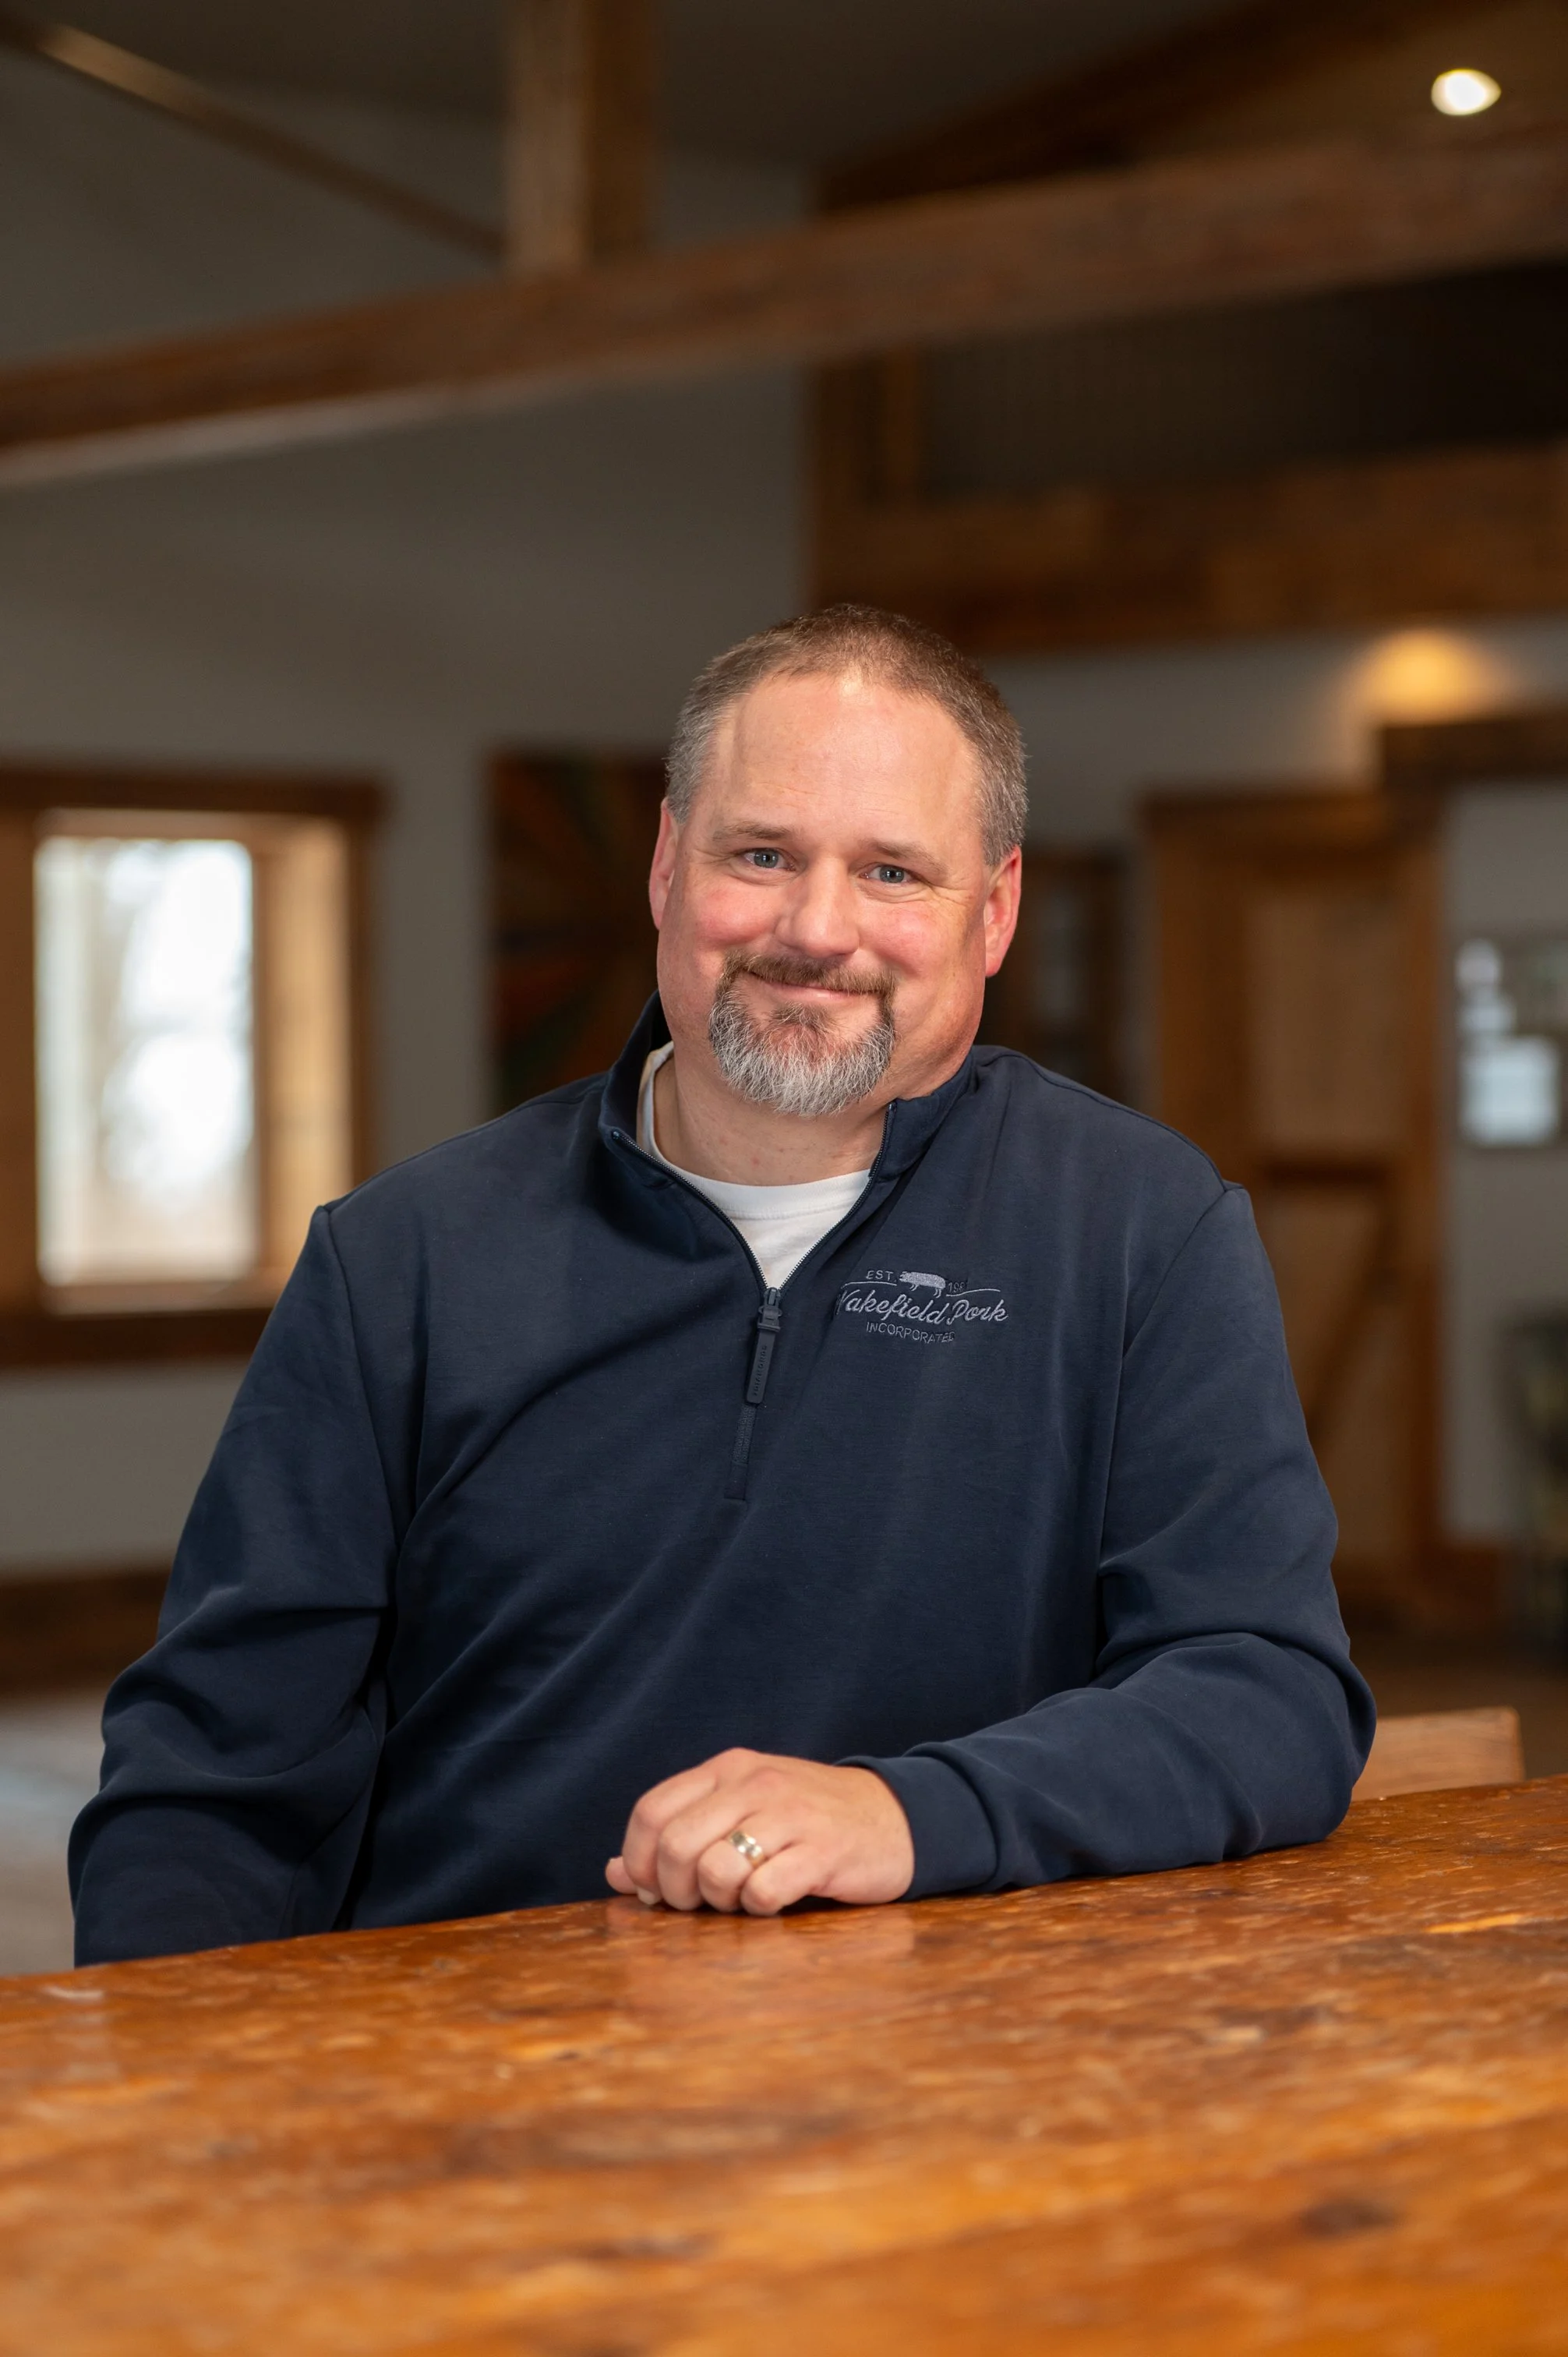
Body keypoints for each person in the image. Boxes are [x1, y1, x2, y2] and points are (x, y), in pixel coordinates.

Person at [71, 605, 1373, 1962]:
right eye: (761, 854)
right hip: (474, 2083)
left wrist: (908, 1814)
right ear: (665, 867)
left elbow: (1265, 1695)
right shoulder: (401, 1258)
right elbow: (212, 1779)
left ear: (992, 915)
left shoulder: (1143, 1229)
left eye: (892, 873)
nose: (815, 928)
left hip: (980, 2066)